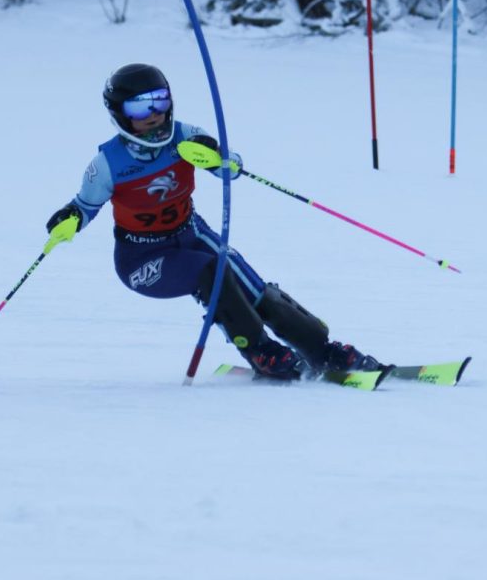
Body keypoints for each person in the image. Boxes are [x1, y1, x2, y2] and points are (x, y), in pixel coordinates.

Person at [45, 63, 384, 381]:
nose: (154, 115)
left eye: (160, 101)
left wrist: (217, 156)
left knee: (253, 288)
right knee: (211, 272)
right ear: (119, 113)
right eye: (139, 108)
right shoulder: (107, 163)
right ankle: (260, 351)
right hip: (143, 259)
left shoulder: (185, 136)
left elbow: (230, 168)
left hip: (191, 233)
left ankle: (322, 351)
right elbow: (85, 206)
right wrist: (70, 218)